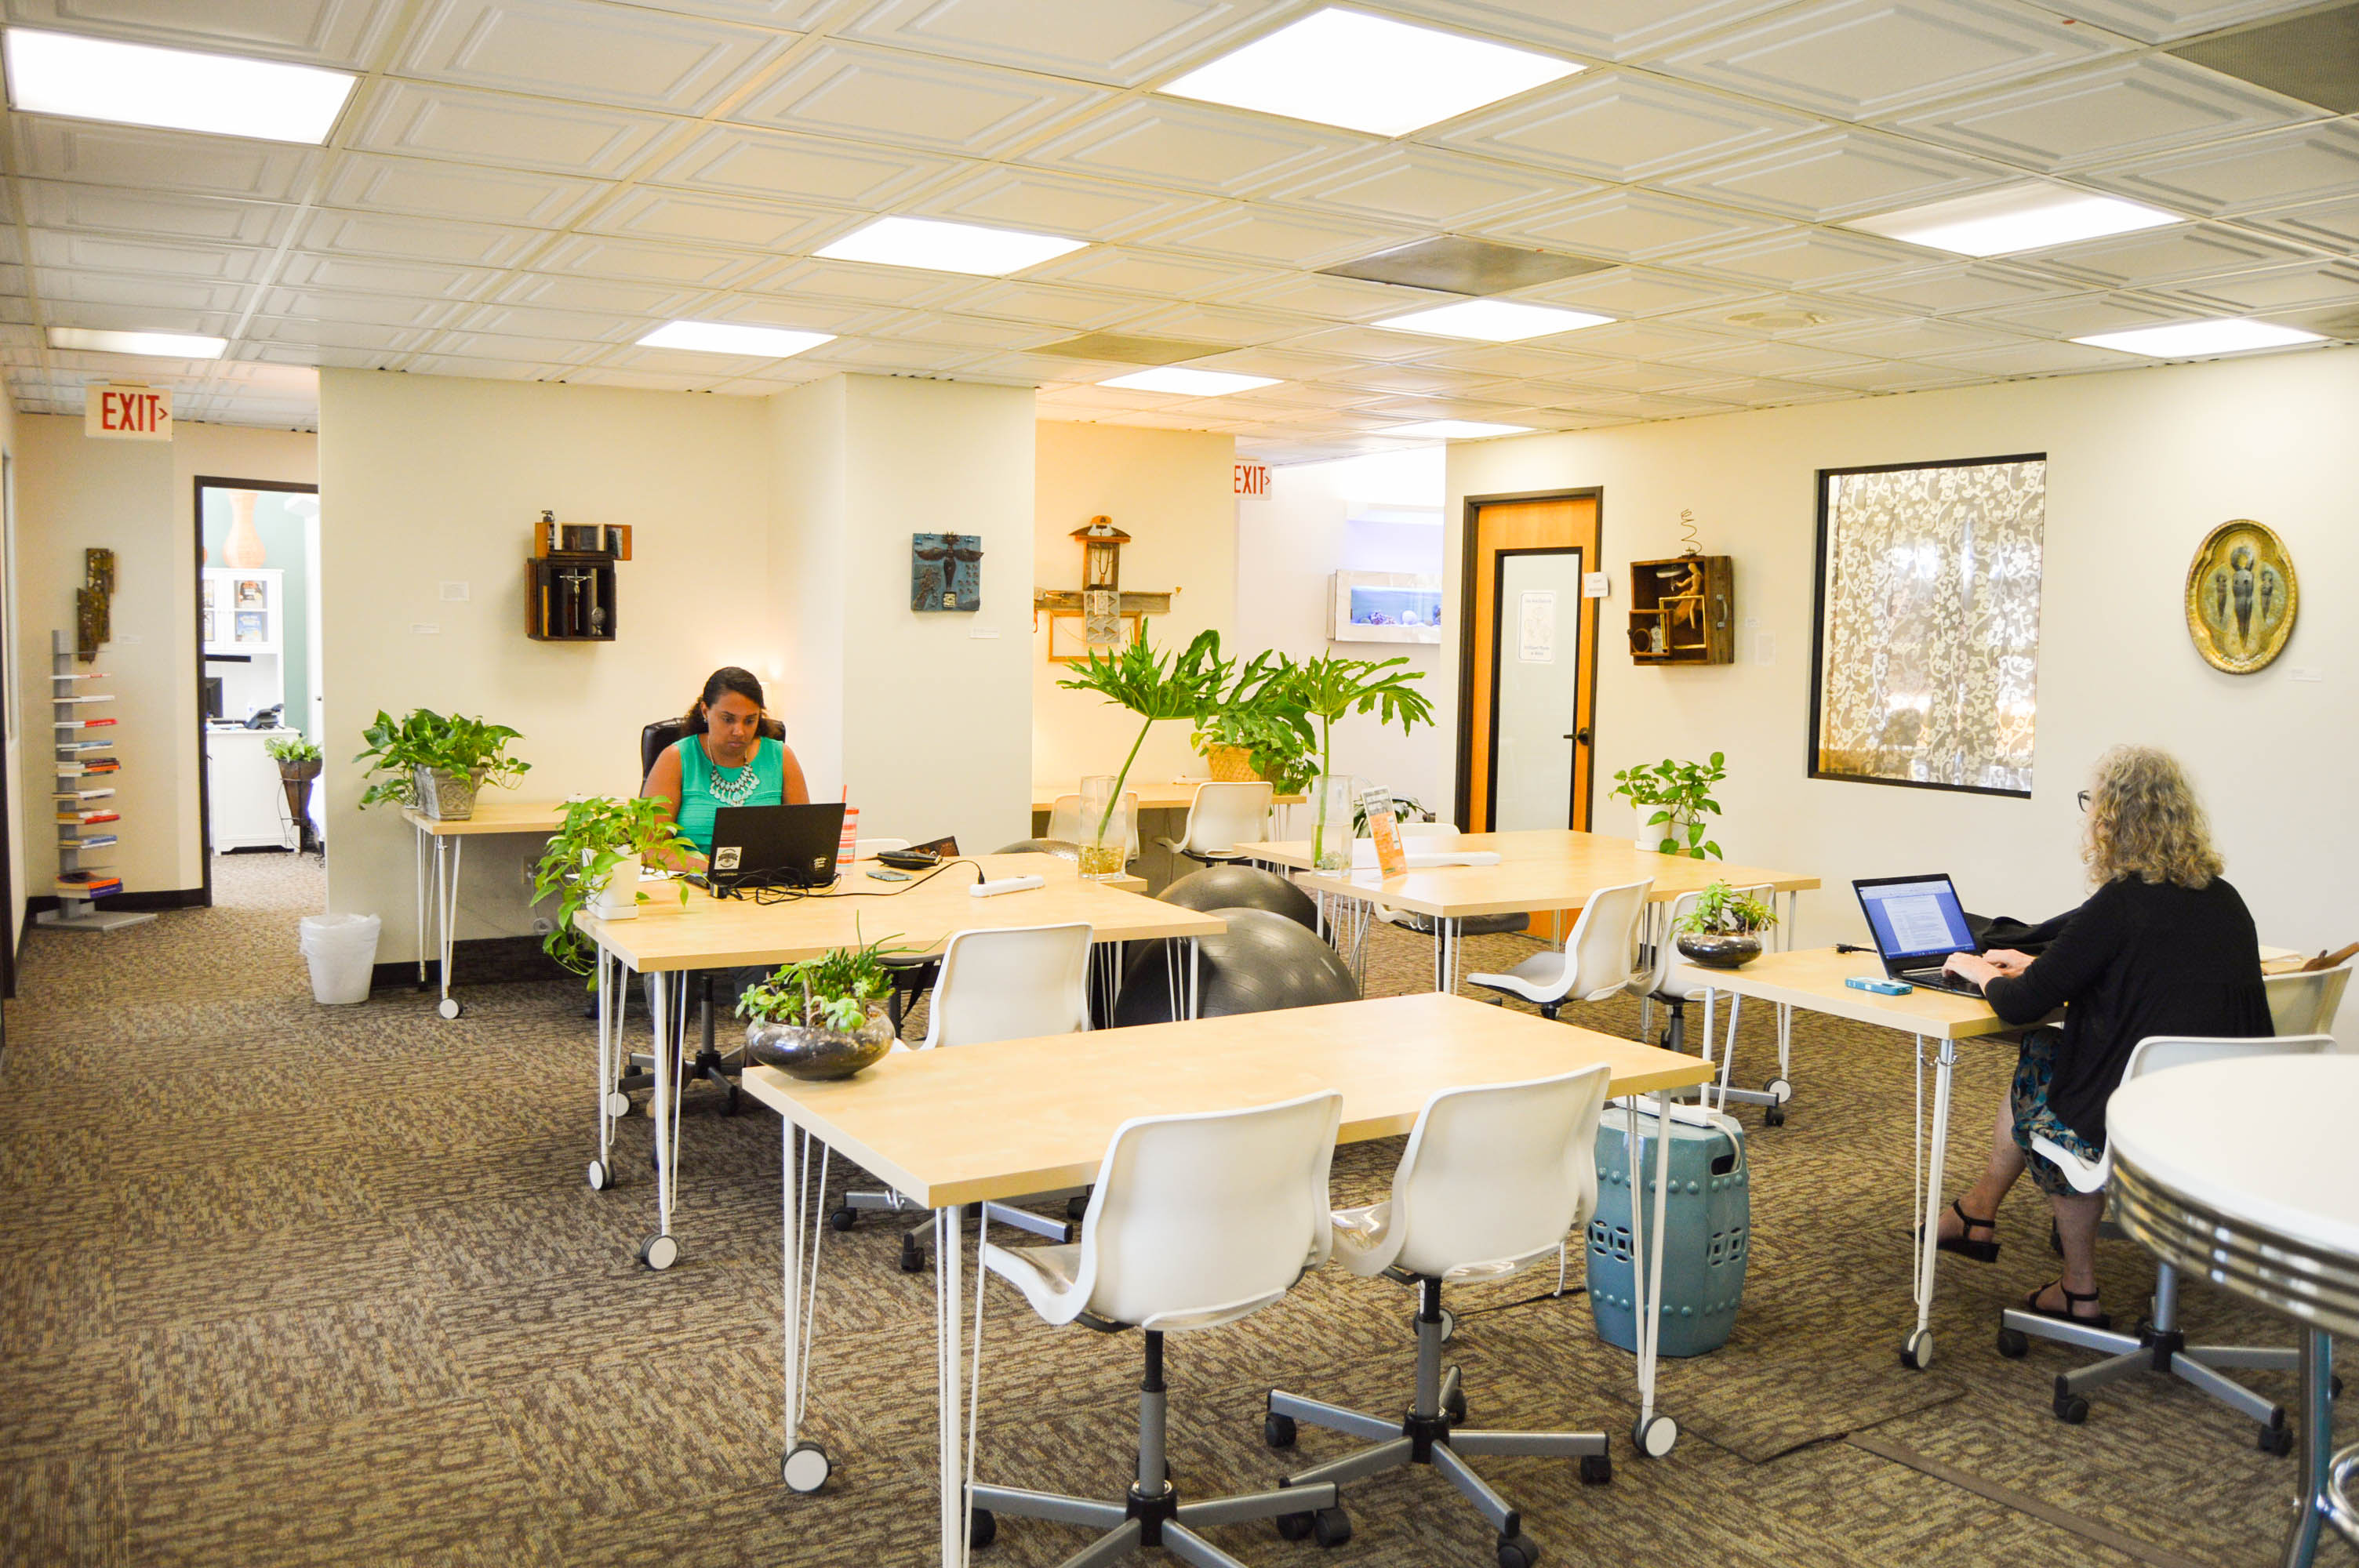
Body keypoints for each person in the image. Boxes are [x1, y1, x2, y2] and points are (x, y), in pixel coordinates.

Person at [1932, 746, 2267, 1328]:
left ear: (2113, 817)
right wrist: (2039, 958)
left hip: (2135, 1121)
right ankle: (1978, 1210)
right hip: (2221, 1119)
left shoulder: (2120, 904)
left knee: (2048, 1074)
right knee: (2051, 1054)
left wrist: (1982, 968)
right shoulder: (2225, 898)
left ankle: (2079, 1290)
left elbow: (2020, 1006)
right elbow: (2137, 969)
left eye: (2094, 805)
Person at [642, 666, 810, 872]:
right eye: (728, 719)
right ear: (705, 711)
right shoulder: (676, 758)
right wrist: (717, 865)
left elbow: (804, 844)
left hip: (766, 888)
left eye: (750, 720)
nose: (739, 731)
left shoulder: (781, 757)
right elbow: (649, 850)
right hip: (693, 887)